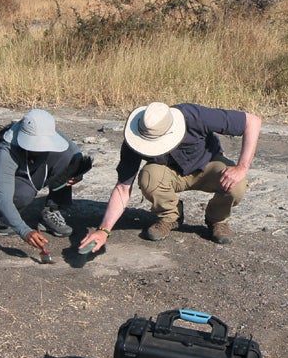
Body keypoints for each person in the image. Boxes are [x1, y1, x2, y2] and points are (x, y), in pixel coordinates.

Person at [78, 101, 261, 252]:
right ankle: (170, 216)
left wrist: (241, 167)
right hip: (169, 172)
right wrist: (103, 230)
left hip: (207, 166)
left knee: (237, 184)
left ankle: (217, 220)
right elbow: (123, 188)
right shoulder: (136, 134)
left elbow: (252, 121)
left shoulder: (194, 115)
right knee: (149, 177)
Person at [0, 109, 91, 254]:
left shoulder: (46, 130)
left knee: (68, 160)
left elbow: (75, 154)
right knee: (24, 193)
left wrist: (76, 173)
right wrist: (24, 231)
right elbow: (4, 198)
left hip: (27, 170)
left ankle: (51, 211)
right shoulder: (6, 150)